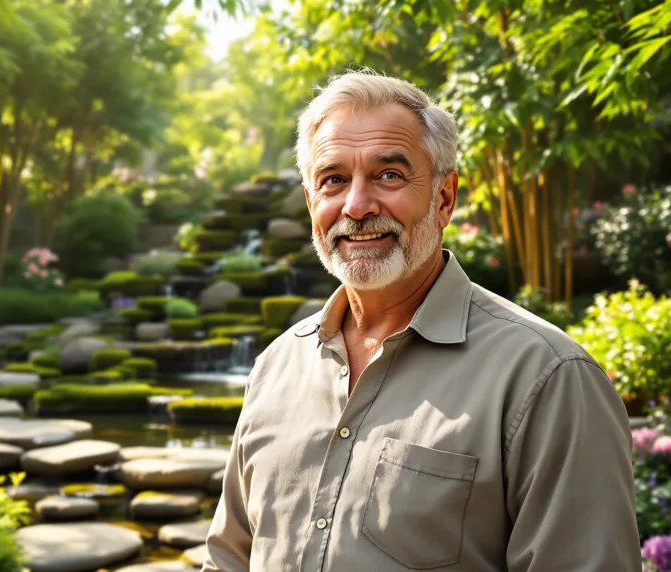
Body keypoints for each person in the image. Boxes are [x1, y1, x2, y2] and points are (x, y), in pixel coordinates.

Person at [200, 70, 641, 571]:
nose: (357, 206)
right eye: (334, 180)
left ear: (444, 197)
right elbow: (228, 558)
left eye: (389, 175)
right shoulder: (277, 368)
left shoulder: (546, 379)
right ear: (310, 203)